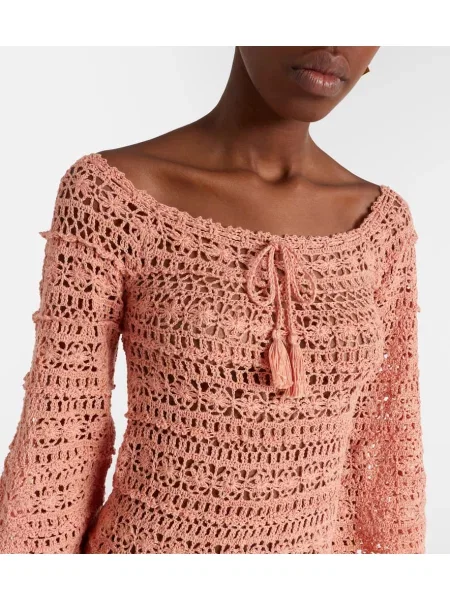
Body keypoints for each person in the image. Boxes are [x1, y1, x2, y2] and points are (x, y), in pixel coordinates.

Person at [0, 46, 426, 554]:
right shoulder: (113, 195)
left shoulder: (379, 224)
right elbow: (62, 427)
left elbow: (389, 448)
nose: (336, 42)